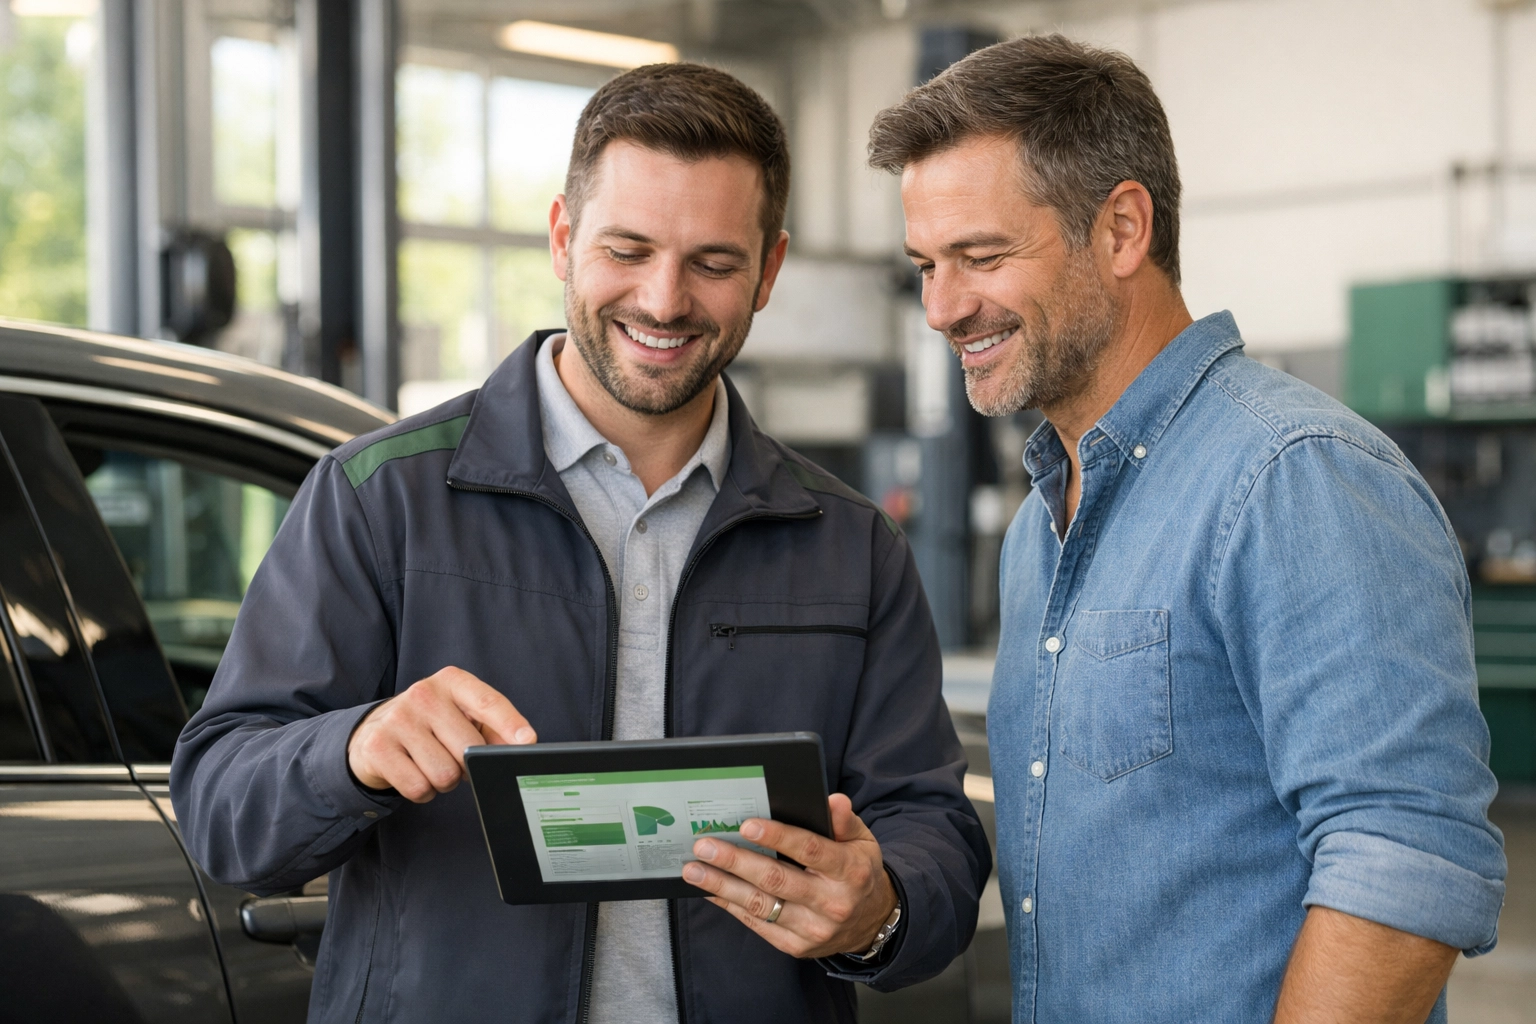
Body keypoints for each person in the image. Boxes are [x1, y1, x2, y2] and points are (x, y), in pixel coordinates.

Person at [172, 63, 989, 1024]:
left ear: (769, 270)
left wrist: (877, 911)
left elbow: (934, 834)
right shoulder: (379, 502)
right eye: (627, 249)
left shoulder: (849, 548)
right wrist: (350, 750)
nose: (664, 299)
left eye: (714, 264)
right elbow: (223, 813)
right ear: (563, 238)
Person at [869, 34, 1506, 1024]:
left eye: (981, 256)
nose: (942, 307)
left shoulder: (1293, 477)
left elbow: (1404, 865)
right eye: (926, 265)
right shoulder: (1047, 521)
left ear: (1122, 228)